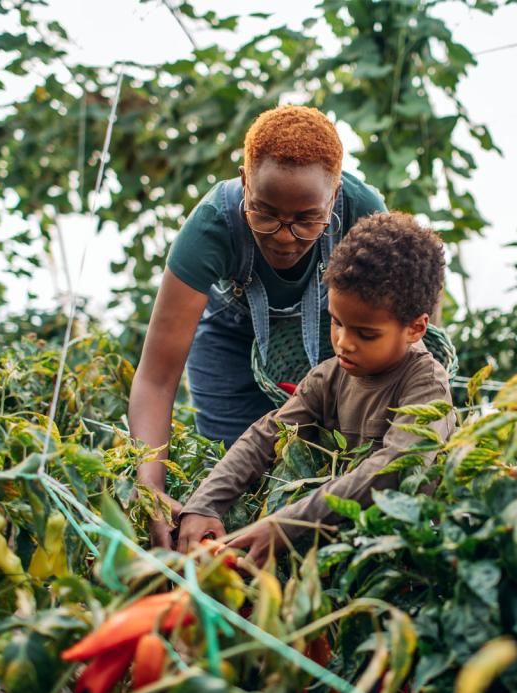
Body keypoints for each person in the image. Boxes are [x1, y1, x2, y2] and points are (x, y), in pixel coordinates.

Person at [129, 106, 386, 549]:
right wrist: (149, 486)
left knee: (336, 463)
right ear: (245, 182)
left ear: (335, 195)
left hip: (333, 335)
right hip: (230, 338)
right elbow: (155, 378)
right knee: (234, 477)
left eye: (307, 219)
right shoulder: (212, 223)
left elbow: (401, 333)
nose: (284, 236)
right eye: (264, 214)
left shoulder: (364, 213)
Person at [176, 212, 456, 565]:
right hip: (336, 541)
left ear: (415, 329)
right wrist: (205, 502)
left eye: (366, 334)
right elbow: (268, 433)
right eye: (337, 323)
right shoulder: (330, 376)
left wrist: (290, 522)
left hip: (405, 551)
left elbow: (395, 468)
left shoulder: (426, 385)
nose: (344, 344)